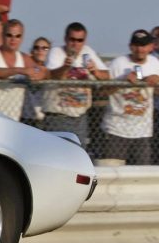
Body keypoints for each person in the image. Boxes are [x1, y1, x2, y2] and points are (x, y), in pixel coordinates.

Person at [42, 22, 110, 145]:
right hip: (58, 116)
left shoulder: (88, 52)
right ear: (65, 39)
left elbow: (107, 75)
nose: (75, 44)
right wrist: (65, 67)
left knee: (79, 154)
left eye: (80, 40)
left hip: (80, 116)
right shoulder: (56, 52)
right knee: (56, 154)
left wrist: (95, 71)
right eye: (72, 39)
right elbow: (51, 76)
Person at [101, 30, 159, 166]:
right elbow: (104, 92)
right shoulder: (118, 63)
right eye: (136, 45)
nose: (140, 49)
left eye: (144, 45)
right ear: (130, 46)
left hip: (143, 131)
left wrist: (156, 82)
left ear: (151, 46)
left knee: (141, 174)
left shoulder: (155, 63)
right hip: (116, 129)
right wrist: (122, 81)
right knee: (112, 172)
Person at [0, 19, 47, 121]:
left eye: (17, 36)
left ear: (22, 38)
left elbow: (42, 71)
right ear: (3, 35)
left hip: (12, 121)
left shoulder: (24, 58)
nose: (13, 39)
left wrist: (39, 73)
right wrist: (21, 70)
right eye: (9, 35)